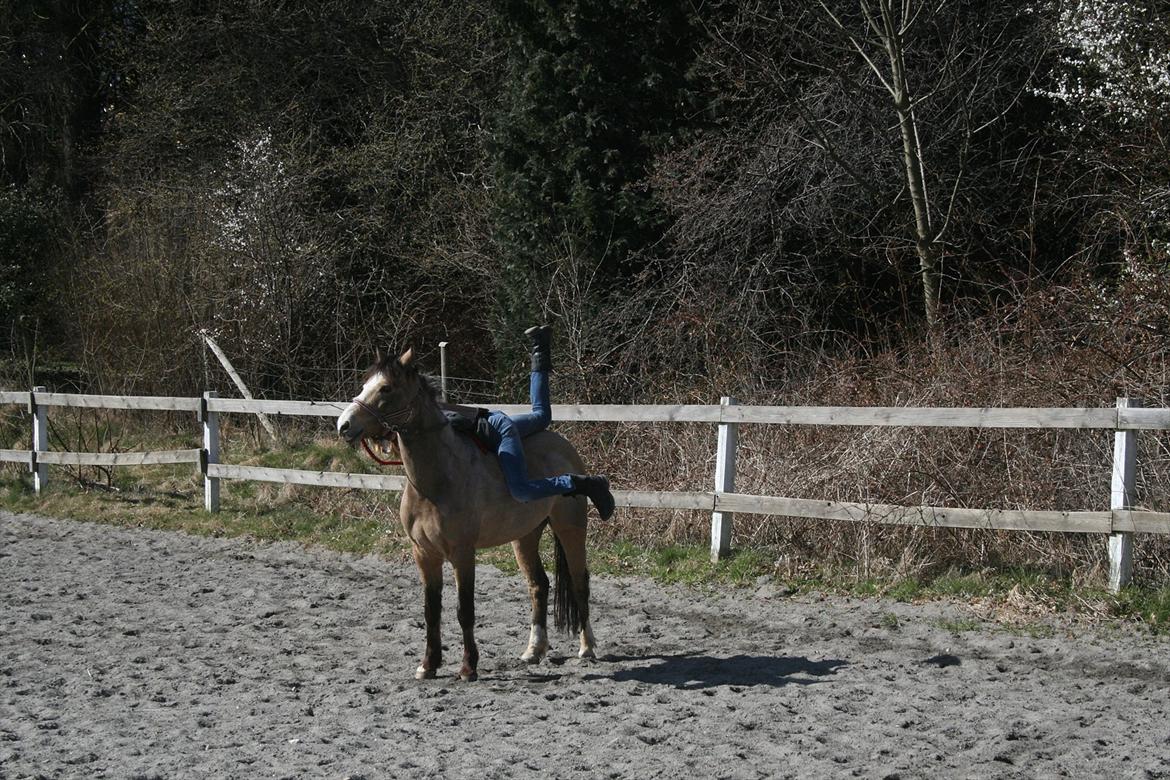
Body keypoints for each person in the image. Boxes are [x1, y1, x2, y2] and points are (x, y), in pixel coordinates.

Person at [463, 325, 615, 520]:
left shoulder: (434, 420)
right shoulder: (433, 411)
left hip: (499, 431)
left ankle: (586, 484)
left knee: (521, 492)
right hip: (494, 418)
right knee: (542, 415)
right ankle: (540, 346)